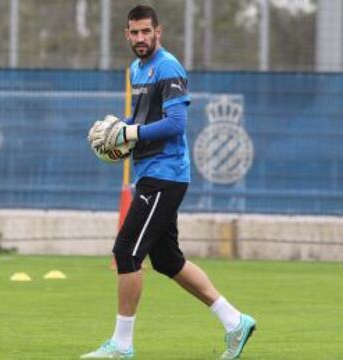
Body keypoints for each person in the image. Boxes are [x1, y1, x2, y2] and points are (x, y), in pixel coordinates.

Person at [82, 4, 256, 360]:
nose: (141, 38)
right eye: (135, 32)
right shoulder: (136, 69)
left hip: (166, 175)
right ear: (126, 34)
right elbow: (143, 118)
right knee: (167, 260)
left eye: (147, 31)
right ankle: (235, 321)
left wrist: (129, 131)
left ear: (158, 32)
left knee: (126, 251)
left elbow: (176, 123)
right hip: (150, 172)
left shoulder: (168, 67)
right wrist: (122, 138)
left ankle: (122, 345)